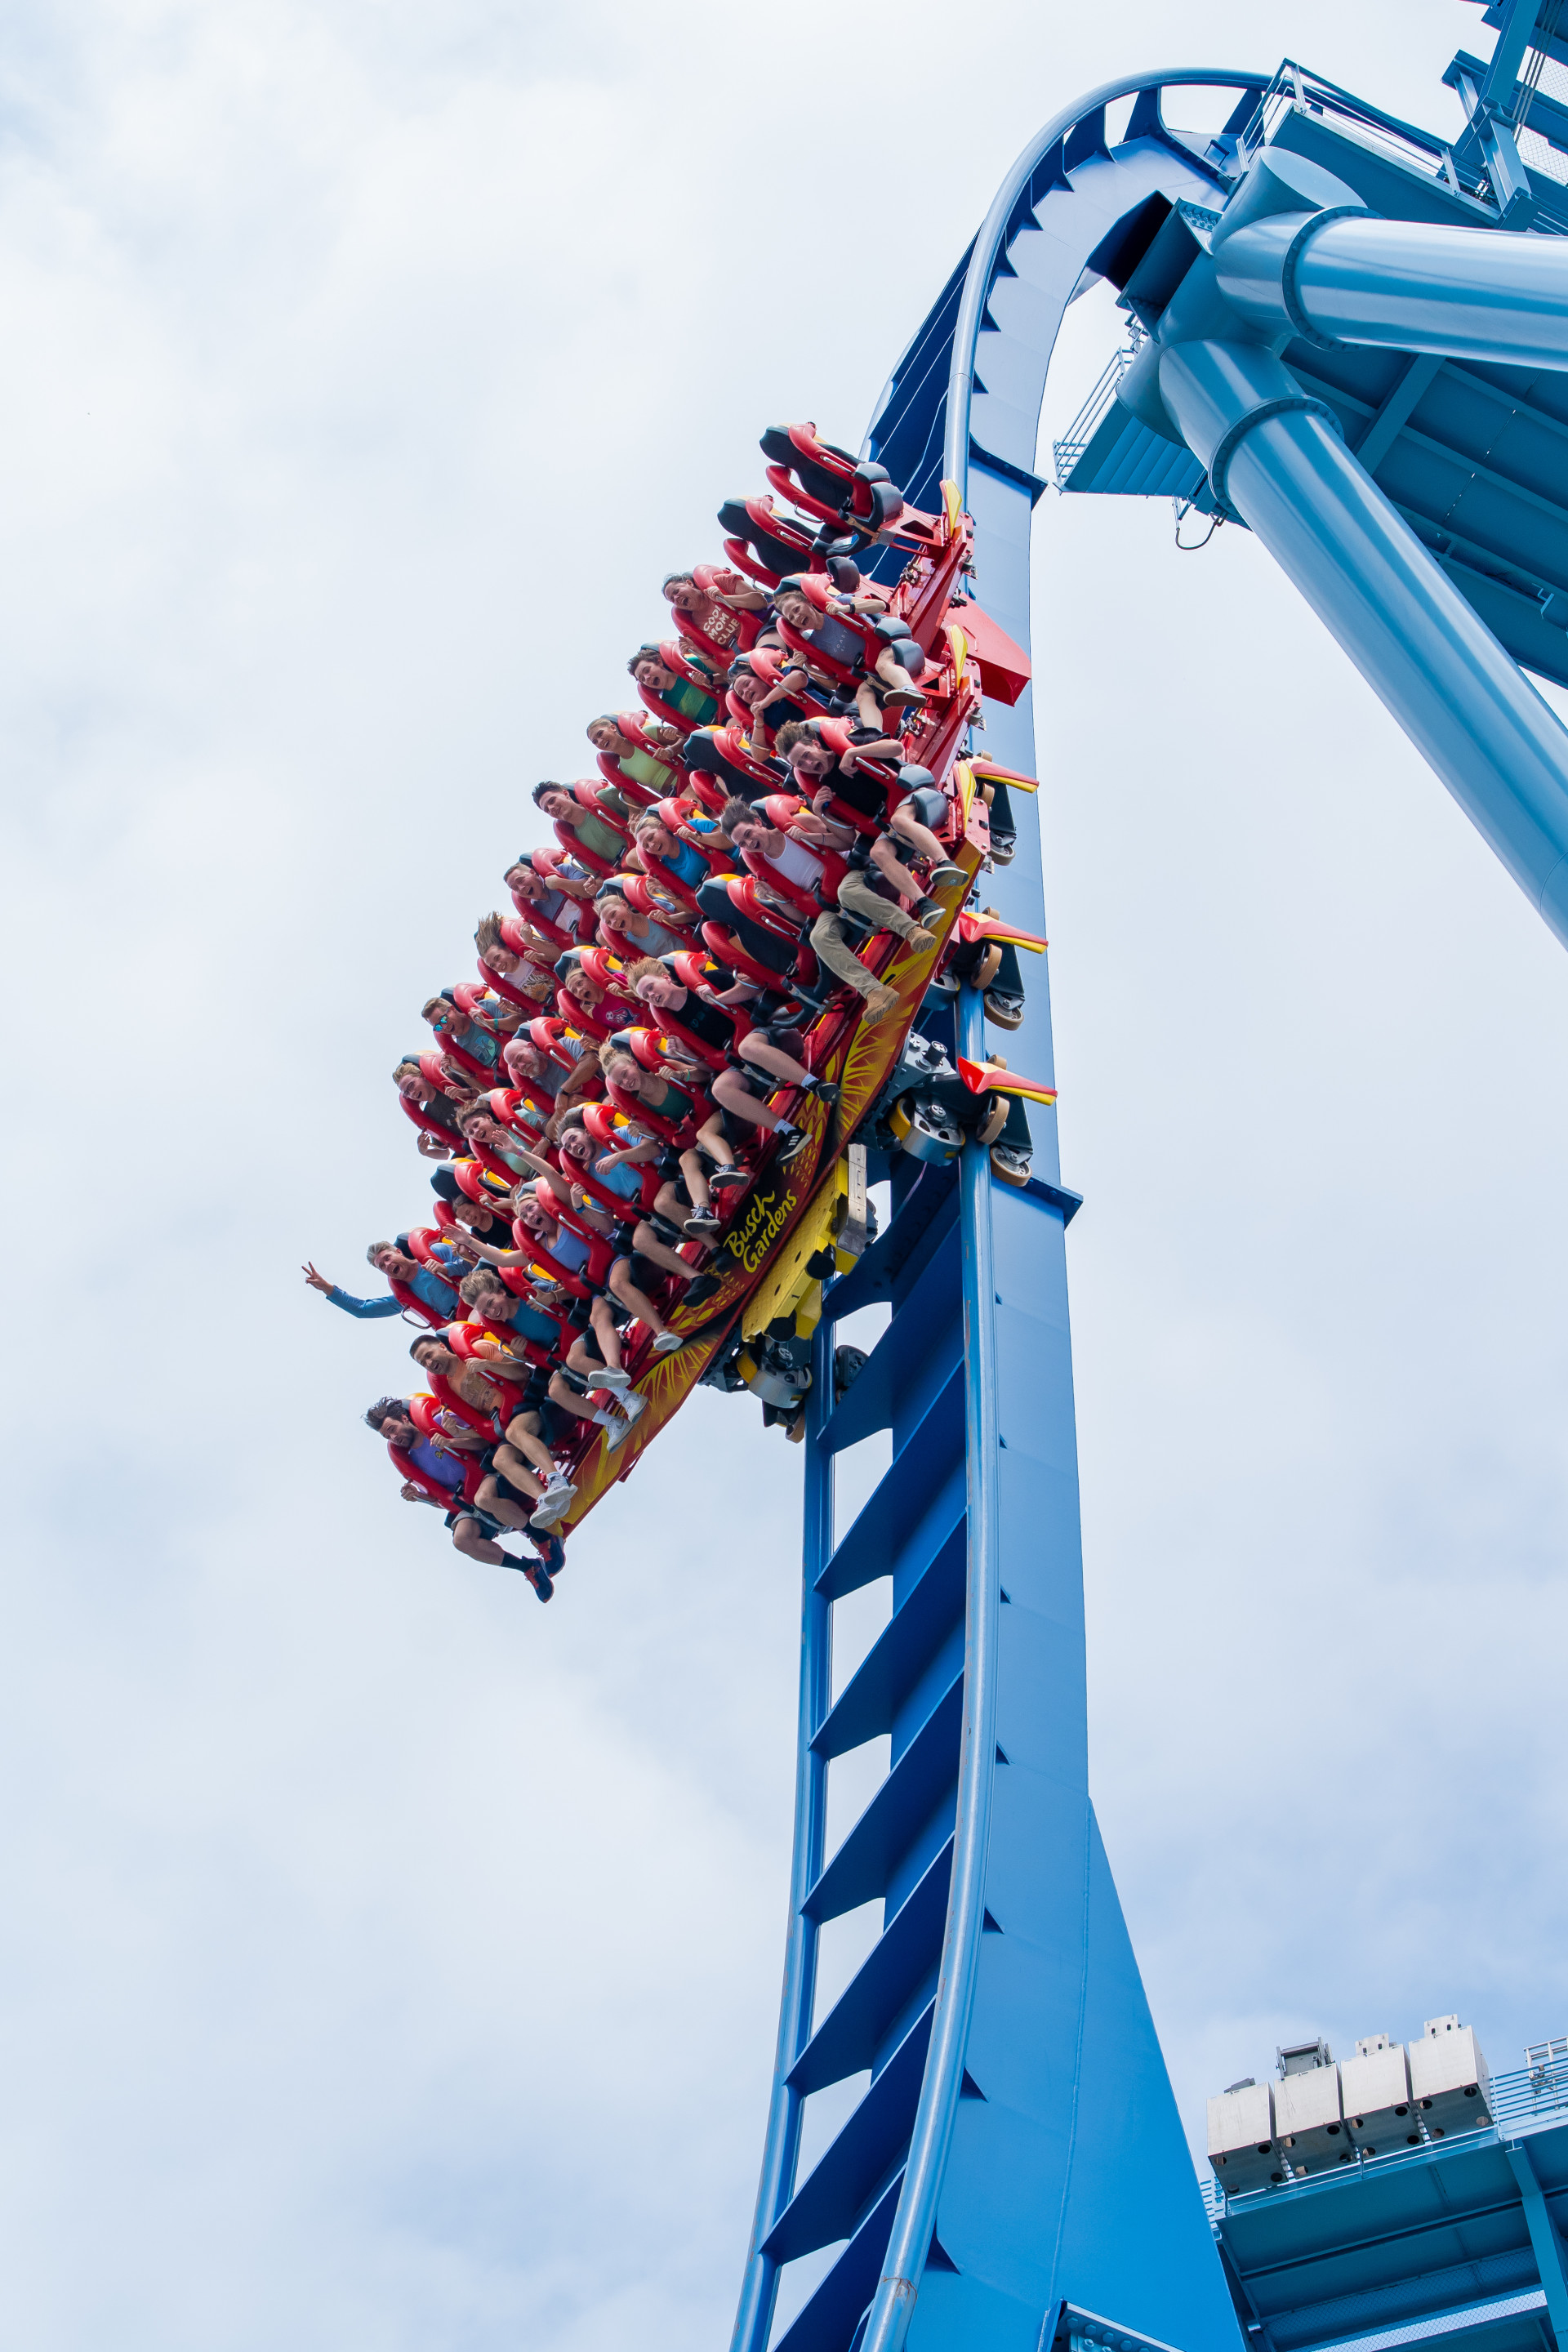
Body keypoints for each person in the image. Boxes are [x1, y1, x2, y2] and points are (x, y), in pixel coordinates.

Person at [719, 797, 938, 1026]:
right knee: (818, 936)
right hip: (828, 905)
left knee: (847, 892)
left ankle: (912, 931)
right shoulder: (764, 869)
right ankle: (876, 991)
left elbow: (846, 841)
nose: (749, 842)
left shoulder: (796, 823)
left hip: (849, 876)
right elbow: (801, 917)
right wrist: (774, 897)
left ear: (757, 822)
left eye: (747, 834)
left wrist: (808, 837)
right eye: (742, 844)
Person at [363, 1397, 562, 1597]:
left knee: (483, 1499)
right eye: (387, 1436)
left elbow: (484, 1440)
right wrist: (420, 1497)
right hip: (468, 1500)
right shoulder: (412, 1462)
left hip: (490, 1473)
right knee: (461, 1540)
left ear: (405, 1419)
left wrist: (451, 1441)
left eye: (392, 1429)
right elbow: (444, 1502)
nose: (393, 1437)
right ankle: (528, 1567)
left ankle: (544, 1539)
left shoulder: (440, 1420)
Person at [775, 721, 967, 895]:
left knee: (900, 820)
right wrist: (821, 813)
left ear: (816, 745)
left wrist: (853, 752)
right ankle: (923, 903)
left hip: (920, 797)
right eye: (800, 764)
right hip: (892, 825)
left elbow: (896, 747)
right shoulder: (826, 789)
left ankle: (945, 863)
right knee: (878, 852)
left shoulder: (850, 742)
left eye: (807, 755)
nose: (809, 764)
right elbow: (847, 841)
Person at [407, 1333, 577, 1527]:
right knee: (500, 1460)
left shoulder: (478, 1348)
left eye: (429, 1355)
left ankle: (556, 1480)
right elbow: (483, 1429)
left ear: (442, 1346)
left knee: (515, 1432)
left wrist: (487, 1365)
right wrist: (459, 1434)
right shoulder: (449, 1388)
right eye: (423, 1362)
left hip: (532, 1403)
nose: (428, 1363)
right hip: (507, 1426)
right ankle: (547, 1499)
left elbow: (521, 1372)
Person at [532, 780, 635, 868]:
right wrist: (592, 884)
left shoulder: (602, 799)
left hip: (644, 841)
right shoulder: (575, 842)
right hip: (630, 873)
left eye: (552, 801)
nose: (551, 808)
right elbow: (599, 875)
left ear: (566, 794)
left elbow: (629, 790)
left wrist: (634, 812)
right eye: (547, 809)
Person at [628, 643, 719, 725]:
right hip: (715, 730)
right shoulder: (667, 703)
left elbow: (727, 674)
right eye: (642, 679)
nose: (647, 678)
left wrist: (709, 680)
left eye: (647, 670)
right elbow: (686, 731)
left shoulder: (690, 665)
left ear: (659, 662)